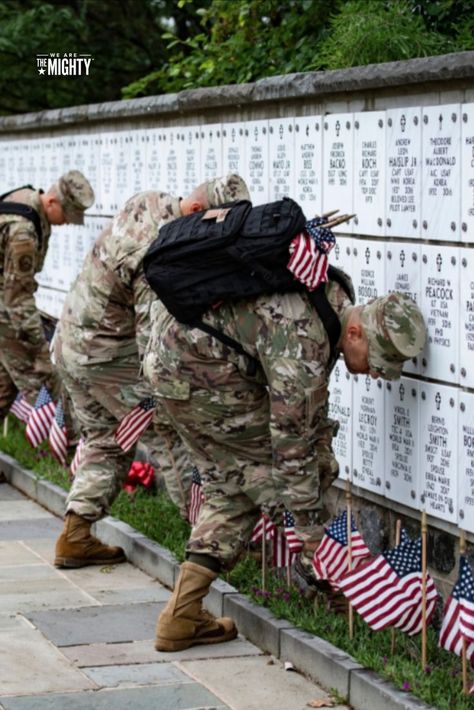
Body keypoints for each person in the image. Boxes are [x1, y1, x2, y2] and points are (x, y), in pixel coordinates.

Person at [143, 268, 426, 652]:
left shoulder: (330, 302)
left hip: (178, 363)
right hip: (197, 374)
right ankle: (335, 590)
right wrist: (312, 537)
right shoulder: (306, 344)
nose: (376, 374)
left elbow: (310, 417)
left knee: (232, 488)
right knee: (272, 481)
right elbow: (291, 449)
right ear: (356, 333)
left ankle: (181, 616)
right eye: (376, 361)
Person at [53, 174, 251, 569]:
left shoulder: (151, 198)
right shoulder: (158, 250)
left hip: (70, 342)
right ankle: (205, 540)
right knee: (167, 431)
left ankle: (74, 537)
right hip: (107, 354)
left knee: (106, 440)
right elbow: (152, 340)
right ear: (197, 212)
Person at [0, 172, 94, 419]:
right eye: (66, 215)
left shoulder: (25, 199)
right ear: (51, 202)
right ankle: (69, 443)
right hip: (6, 313)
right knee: (45, 390)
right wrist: (38, 346)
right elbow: (17, 299)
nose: (67, 222)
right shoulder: (23, 232)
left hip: (6, 309)